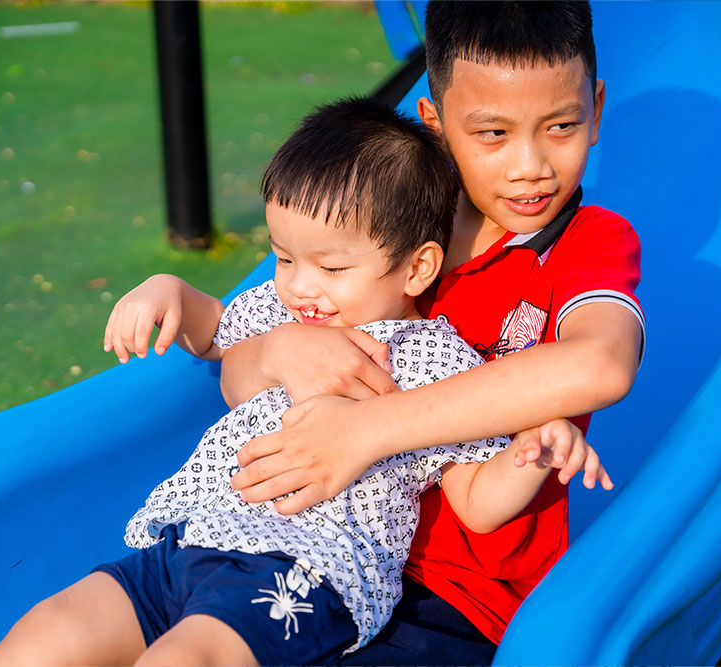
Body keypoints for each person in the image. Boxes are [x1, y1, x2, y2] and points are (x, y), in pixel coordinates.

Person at [0, 97, 611, 667]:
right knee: (49, 631)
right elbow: (212, 328)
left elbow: (474, 497)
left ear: (418, 268)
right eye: (283, 258)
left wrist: (534, 453)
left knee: (188, 658)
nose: (301, 286)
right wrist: (165, 290)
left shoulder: (432, 360)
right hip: (192, 538)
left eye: (332, 266)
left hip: (304, 566)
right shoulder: (288, 315)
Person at [220, 2, 646, 664]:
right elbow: (237, 372)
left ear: (594, 106)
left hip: (459, 593)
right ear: (436, 123)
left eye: (560, 125)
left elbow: (601, 364)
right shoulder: (384, 217)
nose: (529, 165)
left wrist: (371, 427)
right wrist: (280, 350)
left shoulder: (585, 244)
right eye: (493, 134)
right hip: (319, 546)